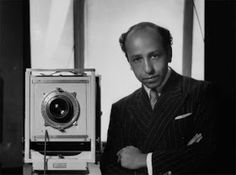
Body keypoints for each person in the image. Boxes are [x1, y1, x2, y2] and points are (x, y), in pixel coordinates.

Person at [100, 22, 217, 175]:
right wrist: (179, 157)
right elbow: (110, 168)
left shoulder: (202, 92)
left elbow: (211, 155)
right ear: (129, 62)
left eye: (154, 56)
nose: (148, 69)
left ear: (169, 53)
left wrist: (144, 160)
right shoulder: (121, 109)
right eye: (137, 59)